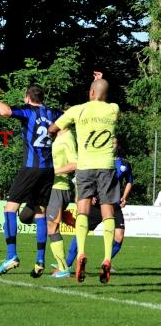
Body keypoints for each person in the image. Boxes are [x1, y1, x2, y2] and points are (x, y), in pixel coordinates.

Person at [49, 71, 120, 284]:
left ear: (90, 92)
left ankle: (80, 253)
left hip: (85, 166)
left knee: (83, 209)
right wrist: (100, 81)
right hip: (107, 166)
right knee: (108, 211)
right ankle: (107, 258)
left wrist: (60, 128)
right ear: (105, 94)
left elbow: (54, 128)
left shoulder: (77, 110)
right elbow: (102, 95)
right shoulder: (113, 109)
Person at [0, 84, 61, 278]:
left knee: (10, 209)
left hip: (30, 168)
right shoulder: (54, 112)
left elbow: (4, 112)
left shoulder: (28, 111)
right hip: (48, 170)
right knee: (40, 212)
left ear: (28, 97)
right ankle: (40, 260)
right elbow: (70, 118)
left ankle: (11, 255)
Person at [64, 135, 133, 271]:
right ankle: (67, 265)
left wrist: (124, 197)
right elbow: (90, 179)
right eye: (110, 143)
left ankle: (106, 263)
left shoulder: (124, 164)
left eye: (114, 143)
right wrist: (91, 195)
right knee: (81, 232)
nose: (112, 145)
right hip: (96, 206)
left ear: (117, 145)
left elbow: (130, 181)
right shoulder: (98, 161)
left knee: (119, 237)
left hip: (114, 205)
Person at [41, 127, 77, 278]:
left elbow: (75, 164)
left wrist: (53, 172)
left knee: (52, 227)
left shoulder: (67, 138)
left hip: (59, 188)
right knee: (48, 224)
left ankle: (63, 268)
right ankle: (62, 265)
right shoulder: (57, 138)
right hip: (51, 187)